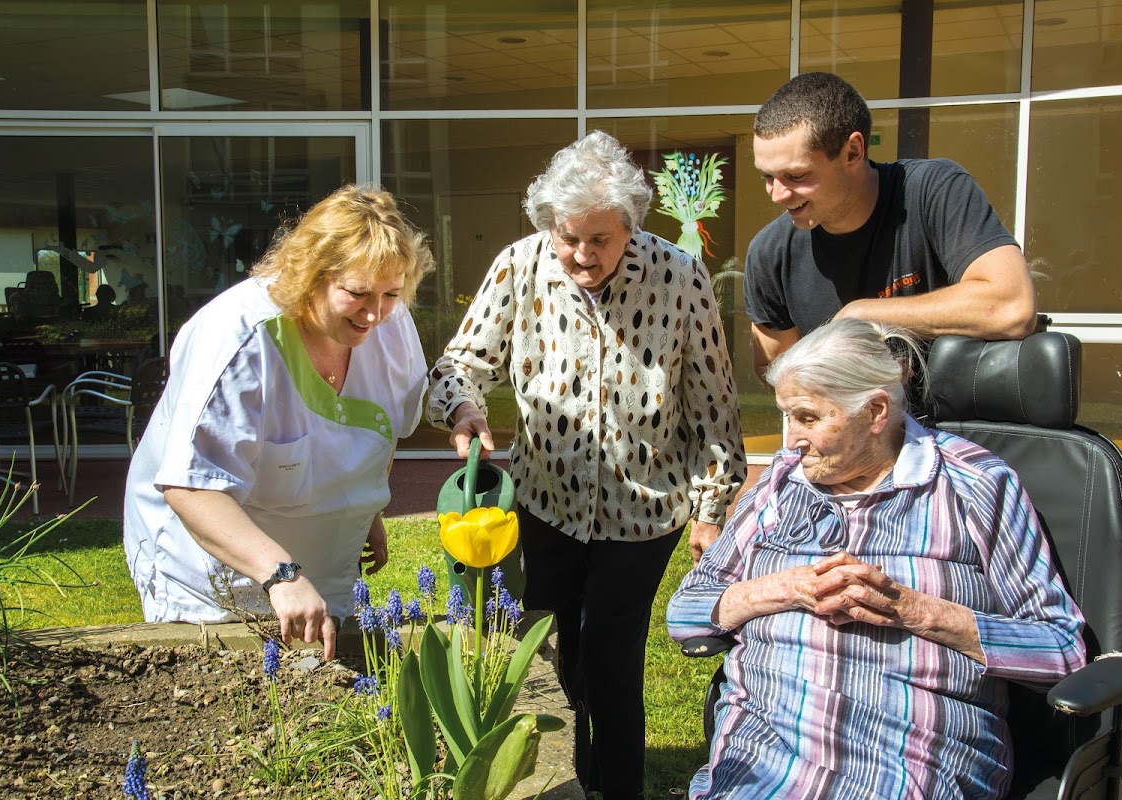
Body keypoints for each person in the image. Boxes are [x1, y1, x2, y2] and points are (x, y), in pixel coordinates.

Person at [426, 130, 747, 800]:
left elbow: (714, 403)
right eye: (568, 237)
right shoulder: (521, 265)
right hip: (547, 502)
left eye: (599, 240)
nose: (580, 255)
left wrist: (711, 509)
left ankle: (617, 786)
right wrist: (463, 410)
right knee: (548, 649)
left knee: (612, 656)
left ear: (630, 224)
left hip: (645, 508)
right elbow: (459, 364)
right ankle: (565, 781)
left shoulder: (679, 275)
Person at [667, 318, 1086, 799]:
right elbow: (686, 613)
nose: (789, 442)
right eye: (786, 416)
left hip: (907, 760)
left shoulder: (975, 486)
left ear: (875, 411)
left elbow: (1062, 650)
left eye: (807, 418)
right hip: (766, 754)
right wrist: (781, 588)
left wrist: (916, 610)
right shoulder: (780, 484)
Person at [123, 185, 433, 661]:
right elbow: (193, 487)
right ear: (311, 275)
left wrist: (368, 505)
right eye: (357, 293)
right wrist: (281, 575)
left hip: (322, 571)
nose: (376, 313)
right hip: (217, 581)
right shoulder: (239, 339)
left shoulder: (389, 324)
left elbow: (383, 424)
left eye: (392, 293)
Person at [745, 72, 1038, 379]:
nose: (777, 194)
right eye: (767, 176)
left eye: (797, 176)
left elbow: (1011, 307)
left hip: (951, 423)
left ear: (853, 152)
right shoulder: (770, 254)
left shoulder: (933, 191)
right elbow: (779, 373)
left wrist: (860, 315)